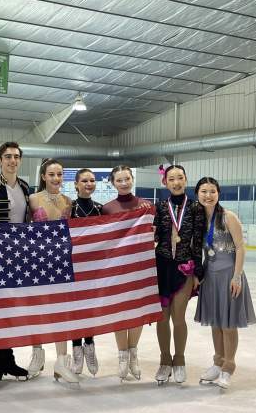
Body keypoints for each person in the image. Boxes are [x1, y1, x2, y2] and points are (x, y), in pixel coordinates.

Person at [194, 177, 256, 389]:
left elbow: (240, 247)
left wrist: (237, 276)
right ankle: (218, 362)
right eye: (204, 191)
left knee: (228, 324)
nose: (208, 195)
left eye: (212, 191)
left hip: (229, 275)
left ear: (218, 193)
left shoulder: (228, 217)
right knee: (215, 322)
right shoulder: (199, 219)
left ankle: (229, 367)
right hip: (210, 276)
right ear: (197, 194)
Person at [0, 141, 30, 386]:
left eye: (16, 156)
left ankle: (8, 359)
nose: (12, 160)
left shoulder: (25, 187)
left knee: (14, 310)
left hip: (22, 258)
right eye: (8, 156)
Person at [26, 159, 78, 385]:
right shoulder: (32, 199)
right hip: (37, 262)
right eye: (52, 174)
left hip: (60, 262)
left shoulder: (69, 202)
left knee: (61, 311)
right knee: (38, 309)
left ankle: (61, 362)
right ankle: (37, 356)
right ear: (44, 177)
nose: (57, 178)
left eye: (60, 174)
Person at [153, 165, 206, 385]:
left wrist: (198, 269)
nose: (176, 182)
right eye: (171, 178)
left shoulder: (195, 207)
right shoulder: (159, 207)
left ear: (185, 180)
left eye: (180, 178)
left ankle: (180, 360)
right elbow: (152, 235)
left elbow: (199, 239)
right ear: (165, 182)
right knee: (162, 318)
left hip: (184, 267)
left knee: (178, 317)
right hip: (161, 267)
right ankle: (165, 360)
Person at [102, 165, 154, 381]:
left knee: (137, 313)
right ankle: (122, 354)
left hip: (140, 266)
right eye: (119, 180)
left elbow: (154, 232)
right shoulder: (107, 208)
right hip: (117, 267)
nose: (124, 183)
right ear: (113, 183)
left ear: (132, 179)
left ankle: (133, 354)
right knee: (119, 312)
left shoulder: (147, 205)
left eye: (127, 179)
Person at [69, 168, 102, 376]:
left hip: (94, 268)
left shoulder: (100, 209)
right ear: (76, 184)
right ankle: (76, 350)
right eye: (84, 181)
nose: (89, 184)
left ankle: (89, 345)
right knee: (75, 309)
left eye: (92, 180)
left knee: (89, 309)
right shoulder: (69, 208)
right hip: (72, 266)